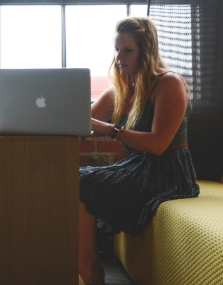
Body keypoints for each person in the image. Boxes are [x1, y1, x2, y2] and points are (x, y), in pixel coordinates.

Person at [78, 17, 200, 285]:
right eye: (116, 49)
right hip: (138, 167)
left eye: (127, 50)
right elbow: (80, 123)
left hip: (168, 171)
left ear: (146, 51)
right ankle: (88, 267)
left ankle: (90, 272)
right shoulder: (121, 88)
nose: (119, 57)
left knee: (82, 182)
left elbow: (158, 145)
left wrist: (110, 130)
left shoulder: (168, 83)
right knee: (75, 178)